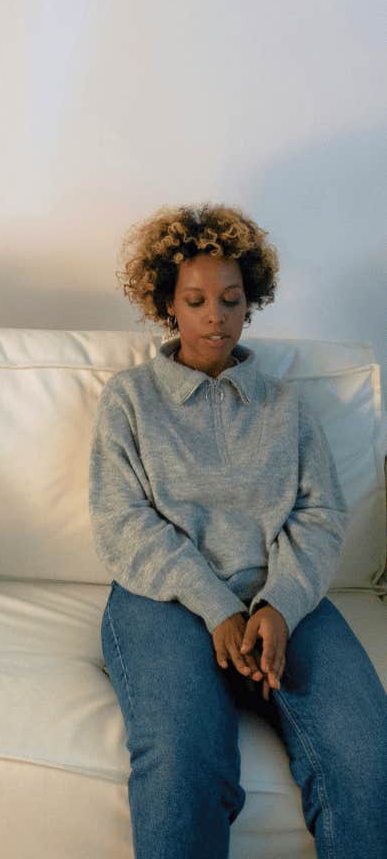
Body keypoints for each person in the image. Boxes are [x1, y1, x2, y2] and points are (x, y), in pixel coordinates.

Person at [89, 204, 387, 859]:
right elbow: (122, 520)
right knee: (183, 764)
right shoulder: (131, 399)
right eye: (195, 300)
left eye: (231, 299)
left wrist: (278, 606)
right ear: (168, 303)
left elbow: (321, 513)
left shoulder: (286, 406)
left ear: (251, 303)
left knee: (368, 761)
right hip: (160, 601)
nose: (214, 316)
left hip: (284, 600)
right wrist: (219, 608)